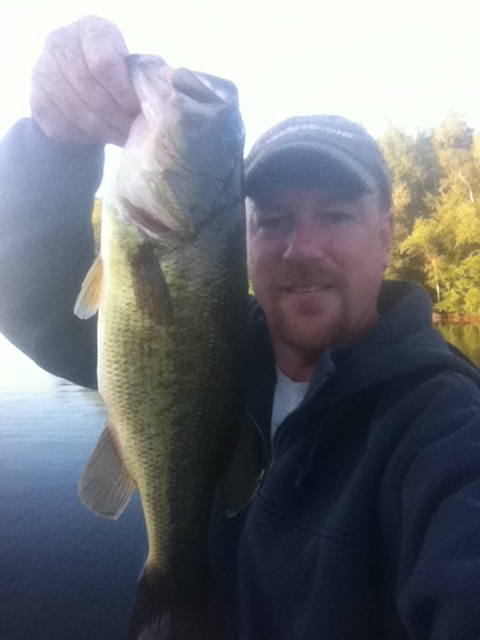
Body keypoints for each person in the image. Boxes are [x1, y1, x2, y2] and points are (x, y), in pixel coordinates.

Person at [2, 15, 480, 640]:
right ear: (246, 240)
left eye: (336, 215)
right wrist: (55, 147)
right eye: (273, 220)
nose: (301, 249)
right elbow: (30, 300)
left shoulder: (445, 426)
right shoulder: (228, 347)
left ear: (387, 235)